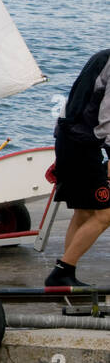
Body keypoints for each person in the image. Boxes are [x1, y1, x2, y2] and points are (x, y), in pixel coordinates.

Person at [46, 49, 110, 287]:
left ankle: (64, 273)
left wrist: (60, 149)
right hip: (82, 145)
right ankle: (62, 272)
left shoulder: (101, 57)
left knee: (83, 212)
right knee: (105, 214)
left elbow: (71, 101)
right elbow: (107, 118)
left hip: (67, 139)